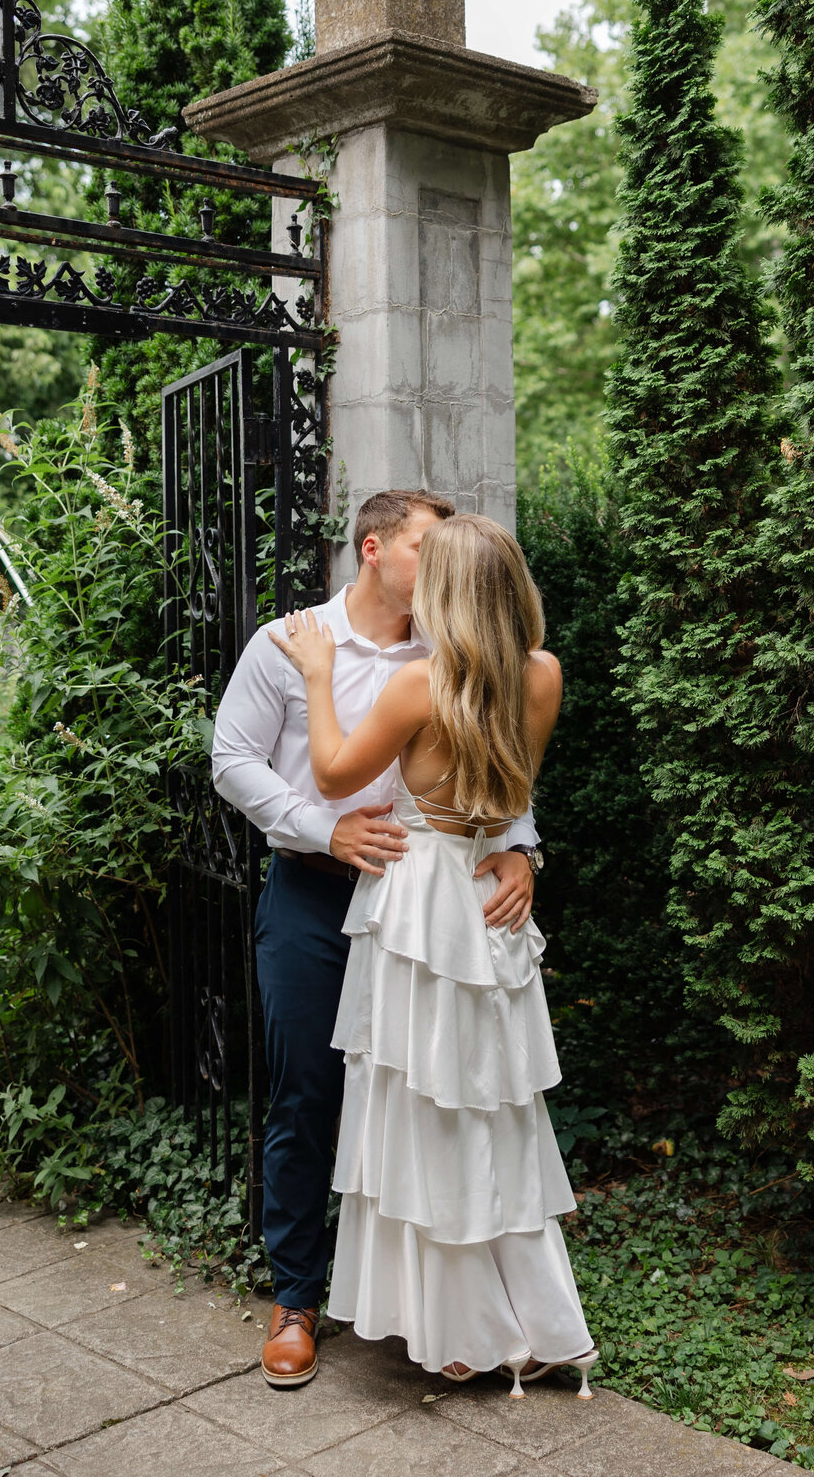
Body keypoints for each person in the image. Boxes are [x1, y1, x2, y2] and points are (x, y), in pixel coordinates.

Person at [211, 492, 543, 1388]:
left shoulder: (451, 650)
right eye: (423, 545)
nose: (435, 563)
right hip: (316, 897)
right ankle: (295, 1298)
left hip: (420, 915)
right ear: (375, 548)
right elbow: (231, 759)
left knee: (427, 1101)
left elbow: (495, 762)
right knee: (308, 1093)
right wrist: (326, 833)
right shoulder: (289, 643)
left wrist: (521, 849)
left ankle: (412, 1298)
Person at [269, 513, 598, 1395]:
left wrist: (320, 671)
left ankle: (454, 1329)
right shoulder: (543, 676)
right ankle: (524, 1317)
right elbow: (508, 792)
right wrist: (520, 849)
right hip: (487, 900)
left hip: (418, 905)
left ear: (449, 592)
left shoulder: (421, 683)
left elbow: (335, 774)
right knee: (490, 1109)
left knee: (422, 1110)